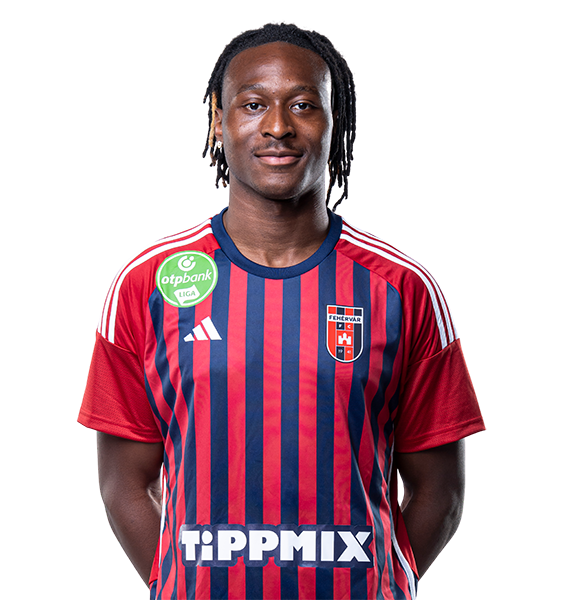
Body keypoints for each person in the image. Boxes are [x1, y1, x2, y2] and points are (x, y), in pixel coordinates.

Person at [78, 22, 485, 600]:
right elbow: (123, 484)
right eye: (253, 104)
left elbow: (439, 492)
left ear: (334, 122)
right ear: (218, 121)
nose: (277, 126)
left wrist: (382, 585)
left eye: (302, 105)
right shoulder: (148, 283)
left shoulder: (402, 287)